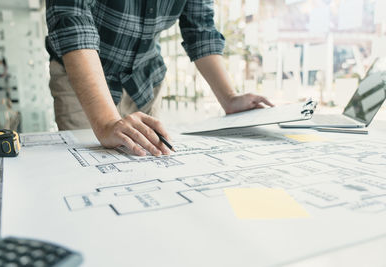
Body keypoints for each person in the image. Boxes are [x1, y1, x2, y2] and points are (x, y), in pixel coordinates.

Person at [46, 0, 273, 157]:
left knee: (145, 159)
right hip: (81, 79)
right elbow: (71, 18)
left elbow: (200, 28)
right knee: (89, 167)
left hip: (144, 79)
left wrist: (229, 98)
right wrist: (105, 122)